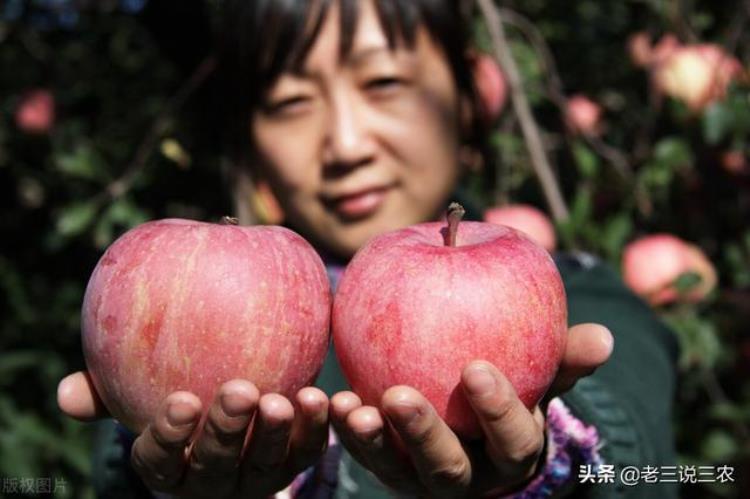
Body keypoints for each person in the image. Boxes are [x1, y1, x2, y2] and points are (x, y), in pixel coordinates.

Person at [56, 0, 680, 497]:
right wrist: (149, 477)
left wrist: (547, 464)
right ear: (251, 142)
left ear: (467, 101)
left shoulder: (576, 290)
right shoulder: (209, 300)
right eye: (291, 102)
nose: (346, 144)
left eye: (383, 82)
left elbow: (633, 441)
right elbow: (130, 459)